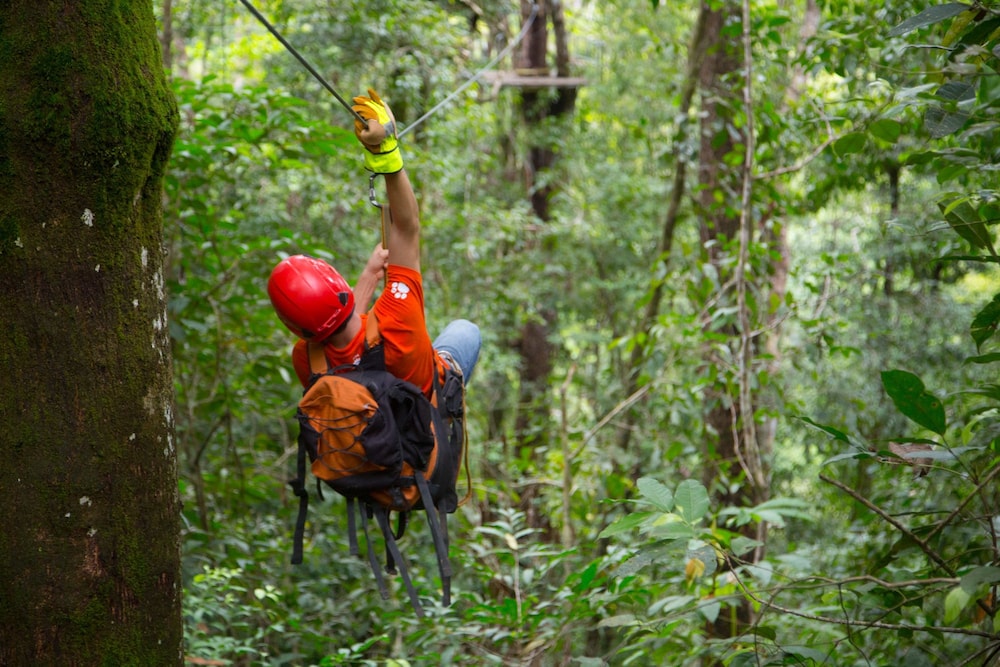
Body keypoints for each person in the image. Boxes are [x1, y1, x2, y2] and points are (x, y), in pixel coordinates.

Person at [267, 89, 480, 396]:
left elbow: (345, 340)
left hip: (371, 440)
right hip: (429, 422)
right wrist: (384, 152)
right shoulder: (398, 315)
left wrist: (369, 276)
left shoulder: (308, 362)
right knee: (465, 330)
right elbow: (406, 228)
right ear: (338, 285)